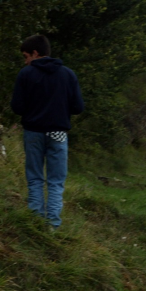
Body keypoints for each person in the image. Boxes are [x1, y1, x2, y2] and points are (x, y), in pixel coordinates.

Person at [11, 34, 84, 230]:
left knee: (35, 178)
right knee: (56, 181)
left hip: (33, 132)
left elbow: (17, 107)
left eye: (26, 56)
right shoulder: (67, 74)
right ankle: (53, 225)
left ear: (35, 53)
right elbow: (78, 107)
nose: (25, 61)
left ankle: (35, 223)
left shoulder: (26, 74)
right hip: (58, 132)